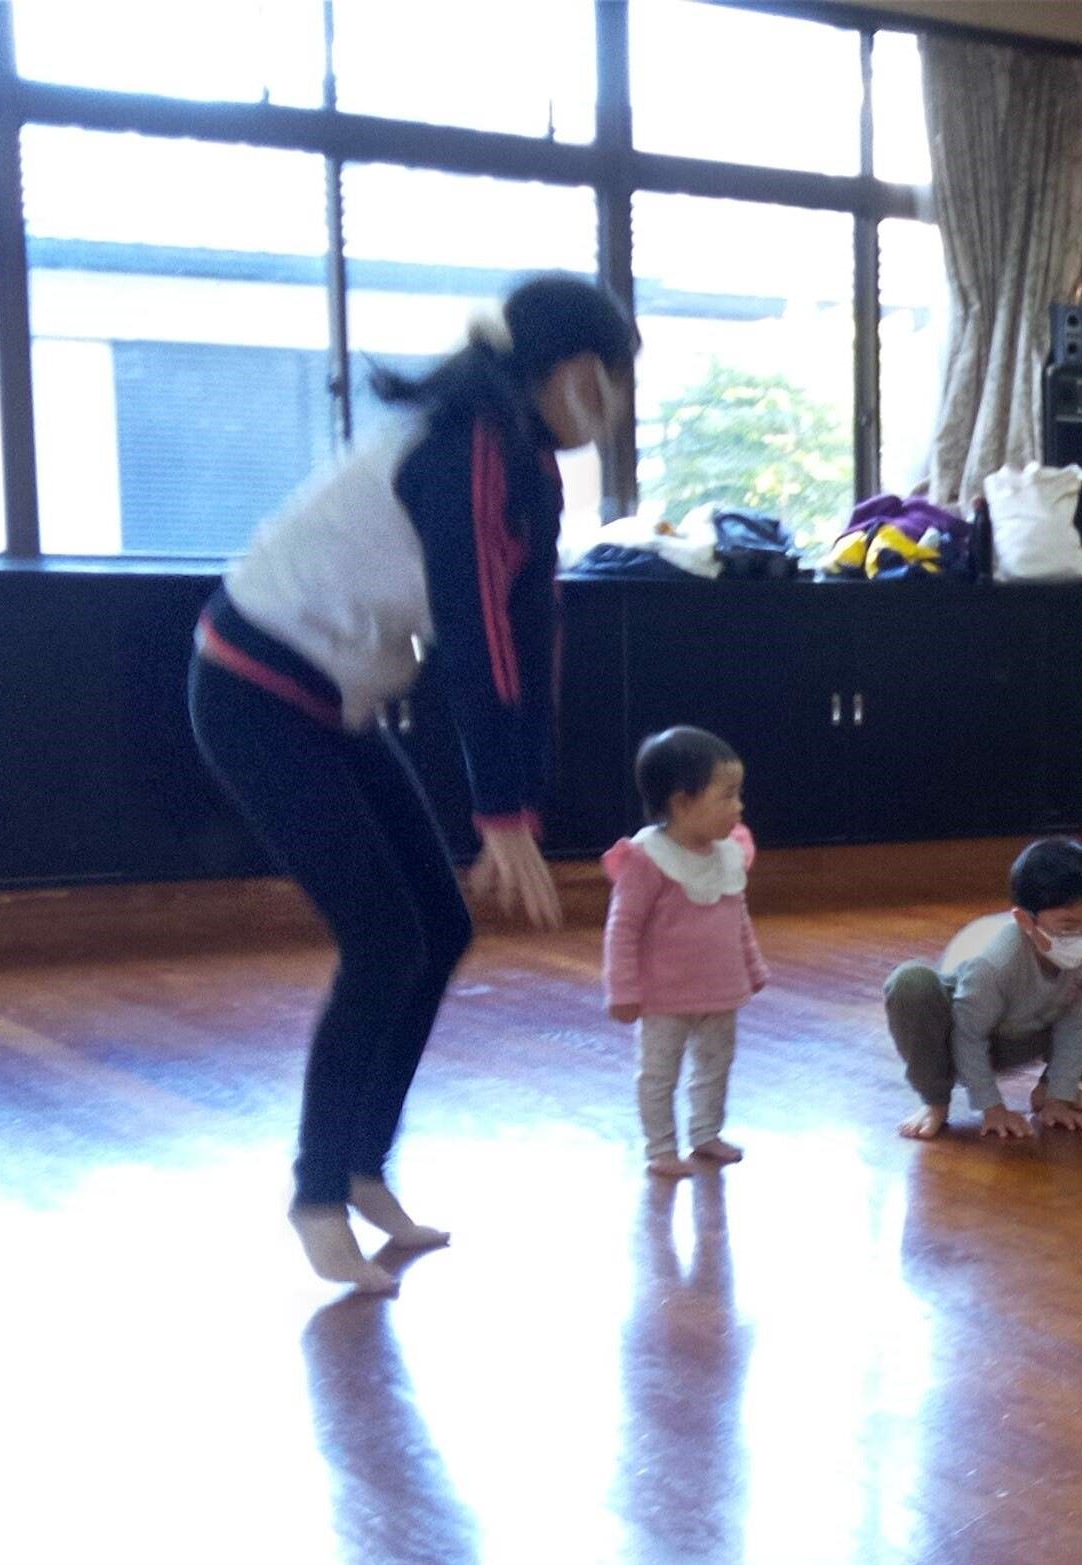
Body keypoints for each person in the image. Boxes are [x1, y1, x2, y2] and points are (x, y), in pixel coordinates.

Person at [189, 274, 638, 1293]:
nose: (615, 410)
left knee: (439, 926)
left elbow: (530, 633)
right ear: (580, 372)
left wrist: (519, 801)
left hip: (333, 701)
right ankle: (315, 1194)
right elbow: (475, 638)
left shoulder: (526, 463)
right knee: (386, 938)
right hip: (256, 692)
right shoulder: (466, 448)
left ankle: (362, 1167)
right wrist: (498, 811)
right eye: (618, 382)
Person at [886, 839, 1082, 1141]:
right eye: (1068, 928)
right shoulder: (993, 961)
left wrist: (1058, 1096)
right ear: (1024, 920)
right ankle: (935, 1102)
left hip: (1024, 1034)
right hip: (956, 1040)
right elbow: (968, 1036)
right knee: (911, 983)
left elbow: (1078, 1027)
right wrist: (992, 1108)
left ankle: (1055, 1091)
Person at [604, 728, 767, 1176]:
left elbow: (737, 916)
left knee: (716, 1066)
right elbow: (623, 930)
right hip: (665, 999)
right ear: (681, 803)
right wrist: (622, 991)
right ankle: (661, 1148)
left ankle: (706, 1132)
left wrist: (752, 966)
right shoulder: (647, 858)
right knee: (659, 1074)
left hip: (720, 992)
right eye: (728, 796)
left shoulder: (728, 855)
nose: (739, 807)